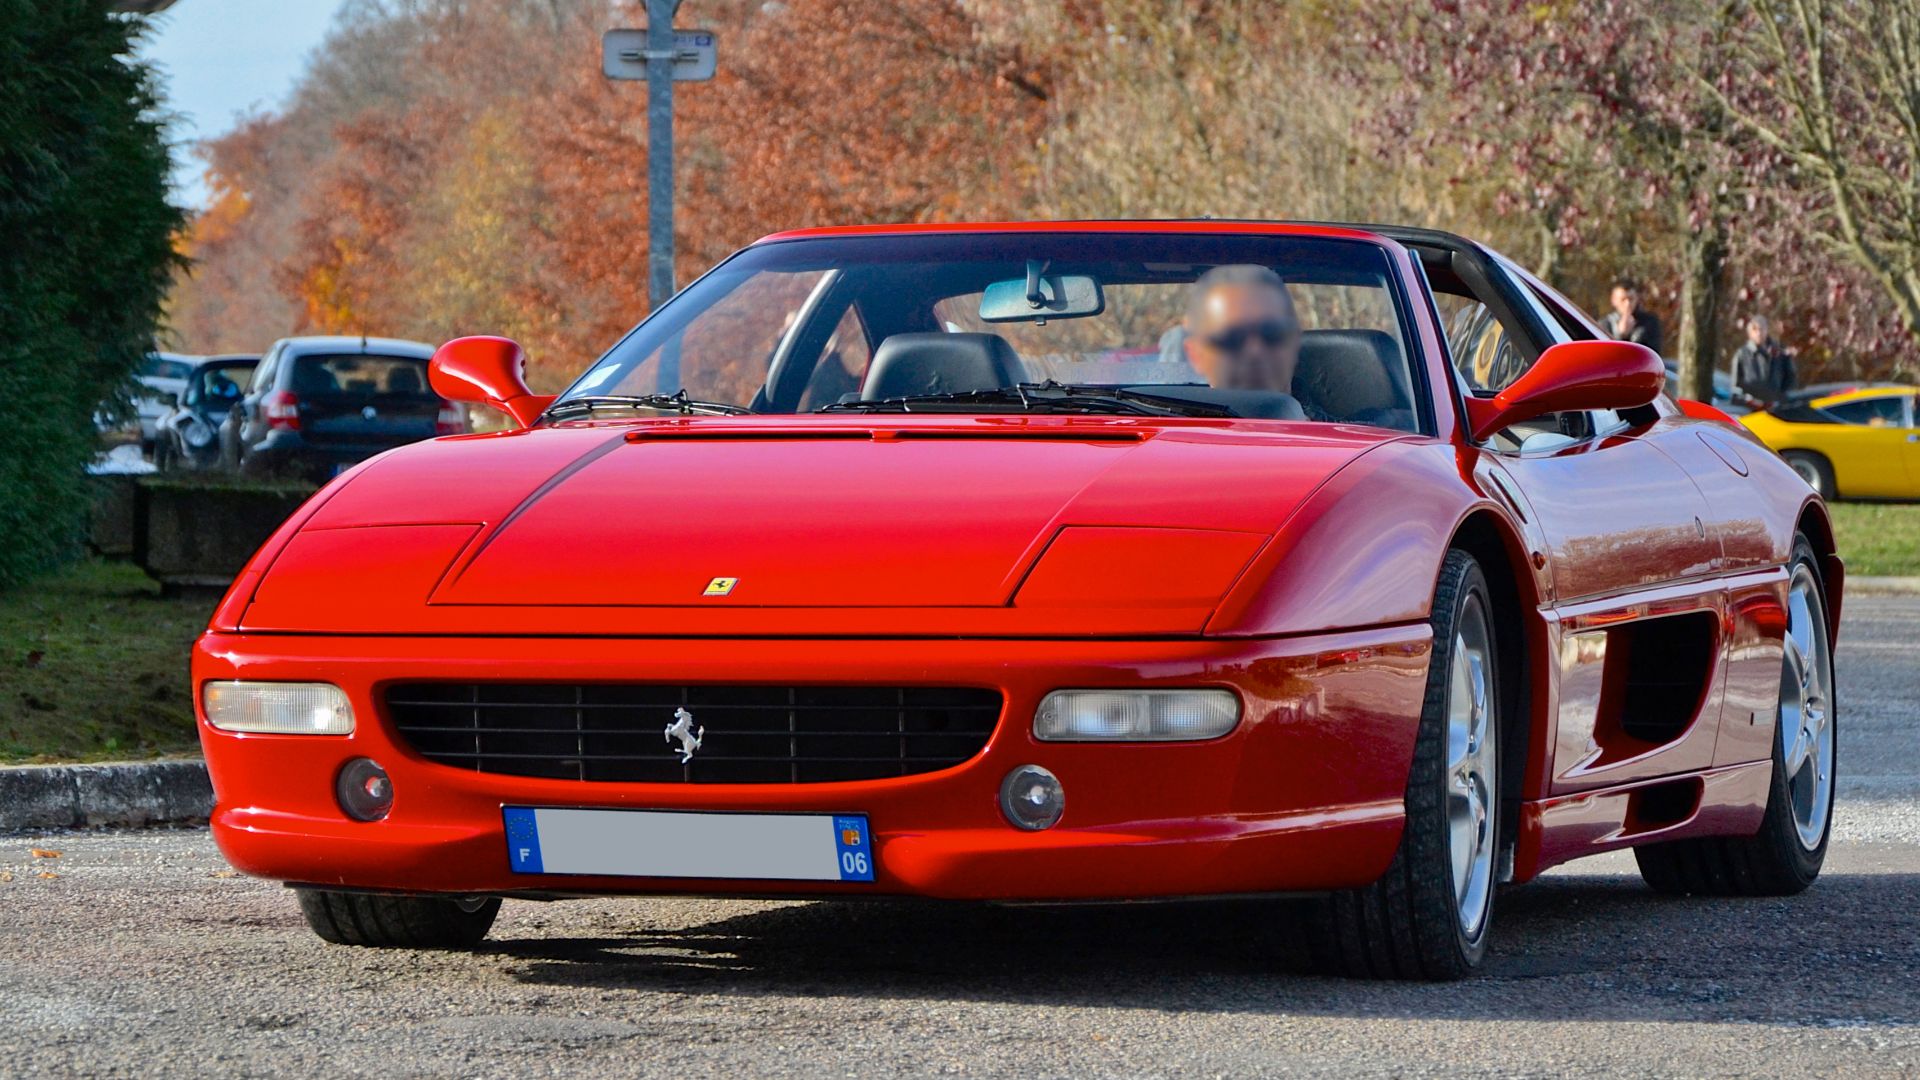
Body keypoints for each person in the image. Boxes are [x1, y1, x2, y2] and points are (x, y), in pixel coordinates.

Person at [1174, 264, 1306, 417]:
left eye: (1272, 334)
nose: (1255, 351)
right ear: (1195, 354)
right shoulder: (1171, 431)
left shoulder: (1329, 428)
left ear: (1295, 344)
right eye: (1232, 338)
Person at [1730, 315, 1797, 406]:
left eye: (1761, 329)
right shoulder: (1741, 354)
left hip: (1775, 407)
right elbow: (1736, 388)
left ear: (1766, 330)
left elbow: (1790, 381)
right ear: (1749, 332)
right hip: (1749, 408)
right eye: (1754, 329)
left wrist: (1781, 400)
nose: (1758, 333)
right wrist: (1747, 400)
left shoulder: (1780, 352)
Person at [1601, 277, 1665, 356]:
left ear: (1637, 298)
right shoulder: (1605, 324)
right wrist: (1620, 335)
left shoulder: (1650, 322)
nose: (1627, 304)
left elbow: (1654, 353)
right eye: (1623, 299)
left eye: (1631, 299)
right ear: (1614, 300)